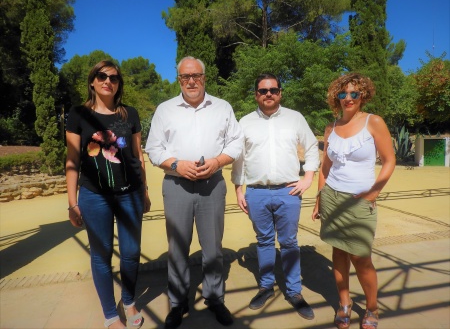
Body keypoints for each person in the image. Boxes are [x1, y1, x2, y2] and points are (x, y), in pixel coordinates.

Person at [145, 56, 243, 329]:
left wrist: (217, 162)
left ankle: (214, 298)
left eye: (196, 76)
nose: (191, 81)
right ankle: (178, 303)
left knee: (213, 247)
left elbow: (236, 142)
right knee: (177, 248)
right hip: (176, 185)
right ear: (179, 79)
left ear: (204, 77)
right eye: (185, 77)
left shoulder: (222, 107)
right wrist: (177, 164)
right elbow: (153, 149)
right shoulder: (165, 110)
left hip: (213, 185)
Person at [66, 60, 151, 329]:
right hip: (94, 196)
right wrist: (71, 202)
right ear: (92, 81)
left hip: (130, 194)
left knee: (131, 252)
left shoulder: (130, 114)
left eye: (113, 78)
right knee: (101, 255)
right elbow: (72, 159)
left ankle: (128, 301)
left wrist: (145, 191)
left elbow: (138, 156)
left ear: (119, 84)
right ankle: (110, 315)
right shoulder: (78, 114)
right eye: (101, 76)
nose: (107, 81)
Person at [231, 73, 320, 320]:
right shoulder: (245, 122)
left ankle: (294, 292)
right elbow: (239, 158)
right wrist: (238, 189)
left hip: (288, 191)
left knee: (290, 242)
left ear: (280, 92)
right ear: (256, 95)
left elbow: (312, 147)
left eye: (272, 90)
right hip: (256, 192)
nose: (268, 94)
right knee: (264, 241)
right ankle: (266, 287)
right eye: (262, 90)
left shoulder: (295, 118)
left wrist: (308, 178)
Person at [311, 73, 396, 329]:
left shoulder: (374, 122)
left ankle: (372, 307)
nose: (348, 98)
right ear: (336, 97)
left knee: (361, 258)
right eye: (343, 94)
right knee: (338, 252)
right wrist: (319, 198)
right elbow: (325, 168)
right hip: (332, 198)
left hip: (360, 201)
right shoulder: (331, 128)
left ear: (363, 95)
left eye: (354, 94)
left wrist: (374, 193)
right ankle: (344, 303)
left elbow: (390, 160)